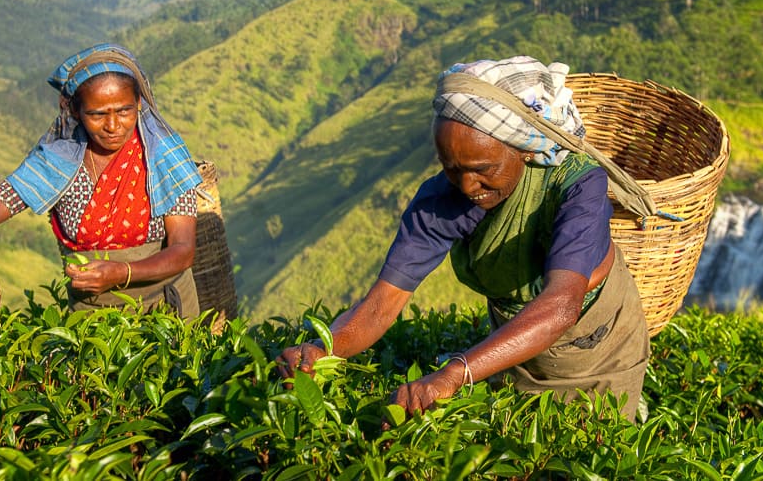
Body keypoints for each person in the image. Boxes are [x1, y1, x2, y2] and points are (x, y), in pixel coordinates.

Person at [277, 56, 651, 422]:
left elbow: (561, 306)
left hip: (599, 343)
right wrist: (322, 349)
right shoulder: (442, 199)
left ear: (522, 147)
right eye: (451, 168)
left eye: (482, 170)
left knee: (601, 439)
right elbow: (381, 305)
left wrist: (454, 373)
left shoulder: (578, 185)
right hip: (515, 341)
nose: (468, 186)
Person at [0, 43, 204, 326]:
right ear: (74, 110)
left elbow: (183, 250)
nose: (113, 126)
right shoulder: (59, 162)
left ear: (139, 103)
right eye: (97, 114)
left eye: (124, 111)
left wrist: (122, 272)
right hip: (91, 323)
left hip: (168, 312)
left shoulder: (164, 157)